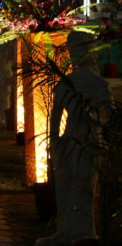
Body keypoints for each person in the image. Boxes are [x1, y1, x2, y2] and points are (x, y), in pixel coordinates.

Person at [35, 31, 113, 246]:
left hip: (86, 142)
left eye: (75, 51)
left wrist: (90, 114)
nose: (72, 55)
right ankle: (66, 232)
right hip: (70, 141)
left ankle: (83, 234)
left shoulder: (95, 84)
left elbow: (107, 116)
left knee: (81, 190)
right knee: (68, 189)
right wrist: (54, 143)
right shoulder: (70, 82)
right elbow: (55, 116)